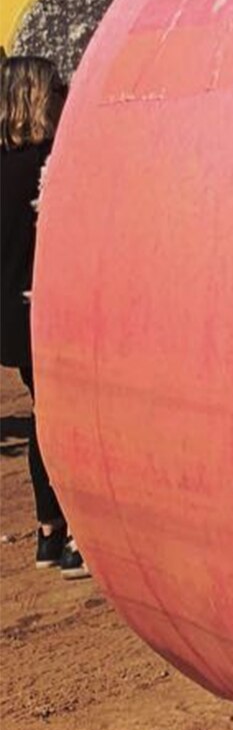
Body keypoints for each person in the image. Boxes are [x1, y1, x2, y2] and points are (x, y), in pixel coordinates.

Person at [1, 55, 86, 577]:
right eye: (57, 86)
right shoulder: (54, 162)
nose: (64, 92)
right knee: (67, 418)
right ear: (38, 97)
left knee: (44, 413)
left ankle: (49, 530)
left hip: (10, 317)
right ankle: (75, 532)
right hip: (49, 310)